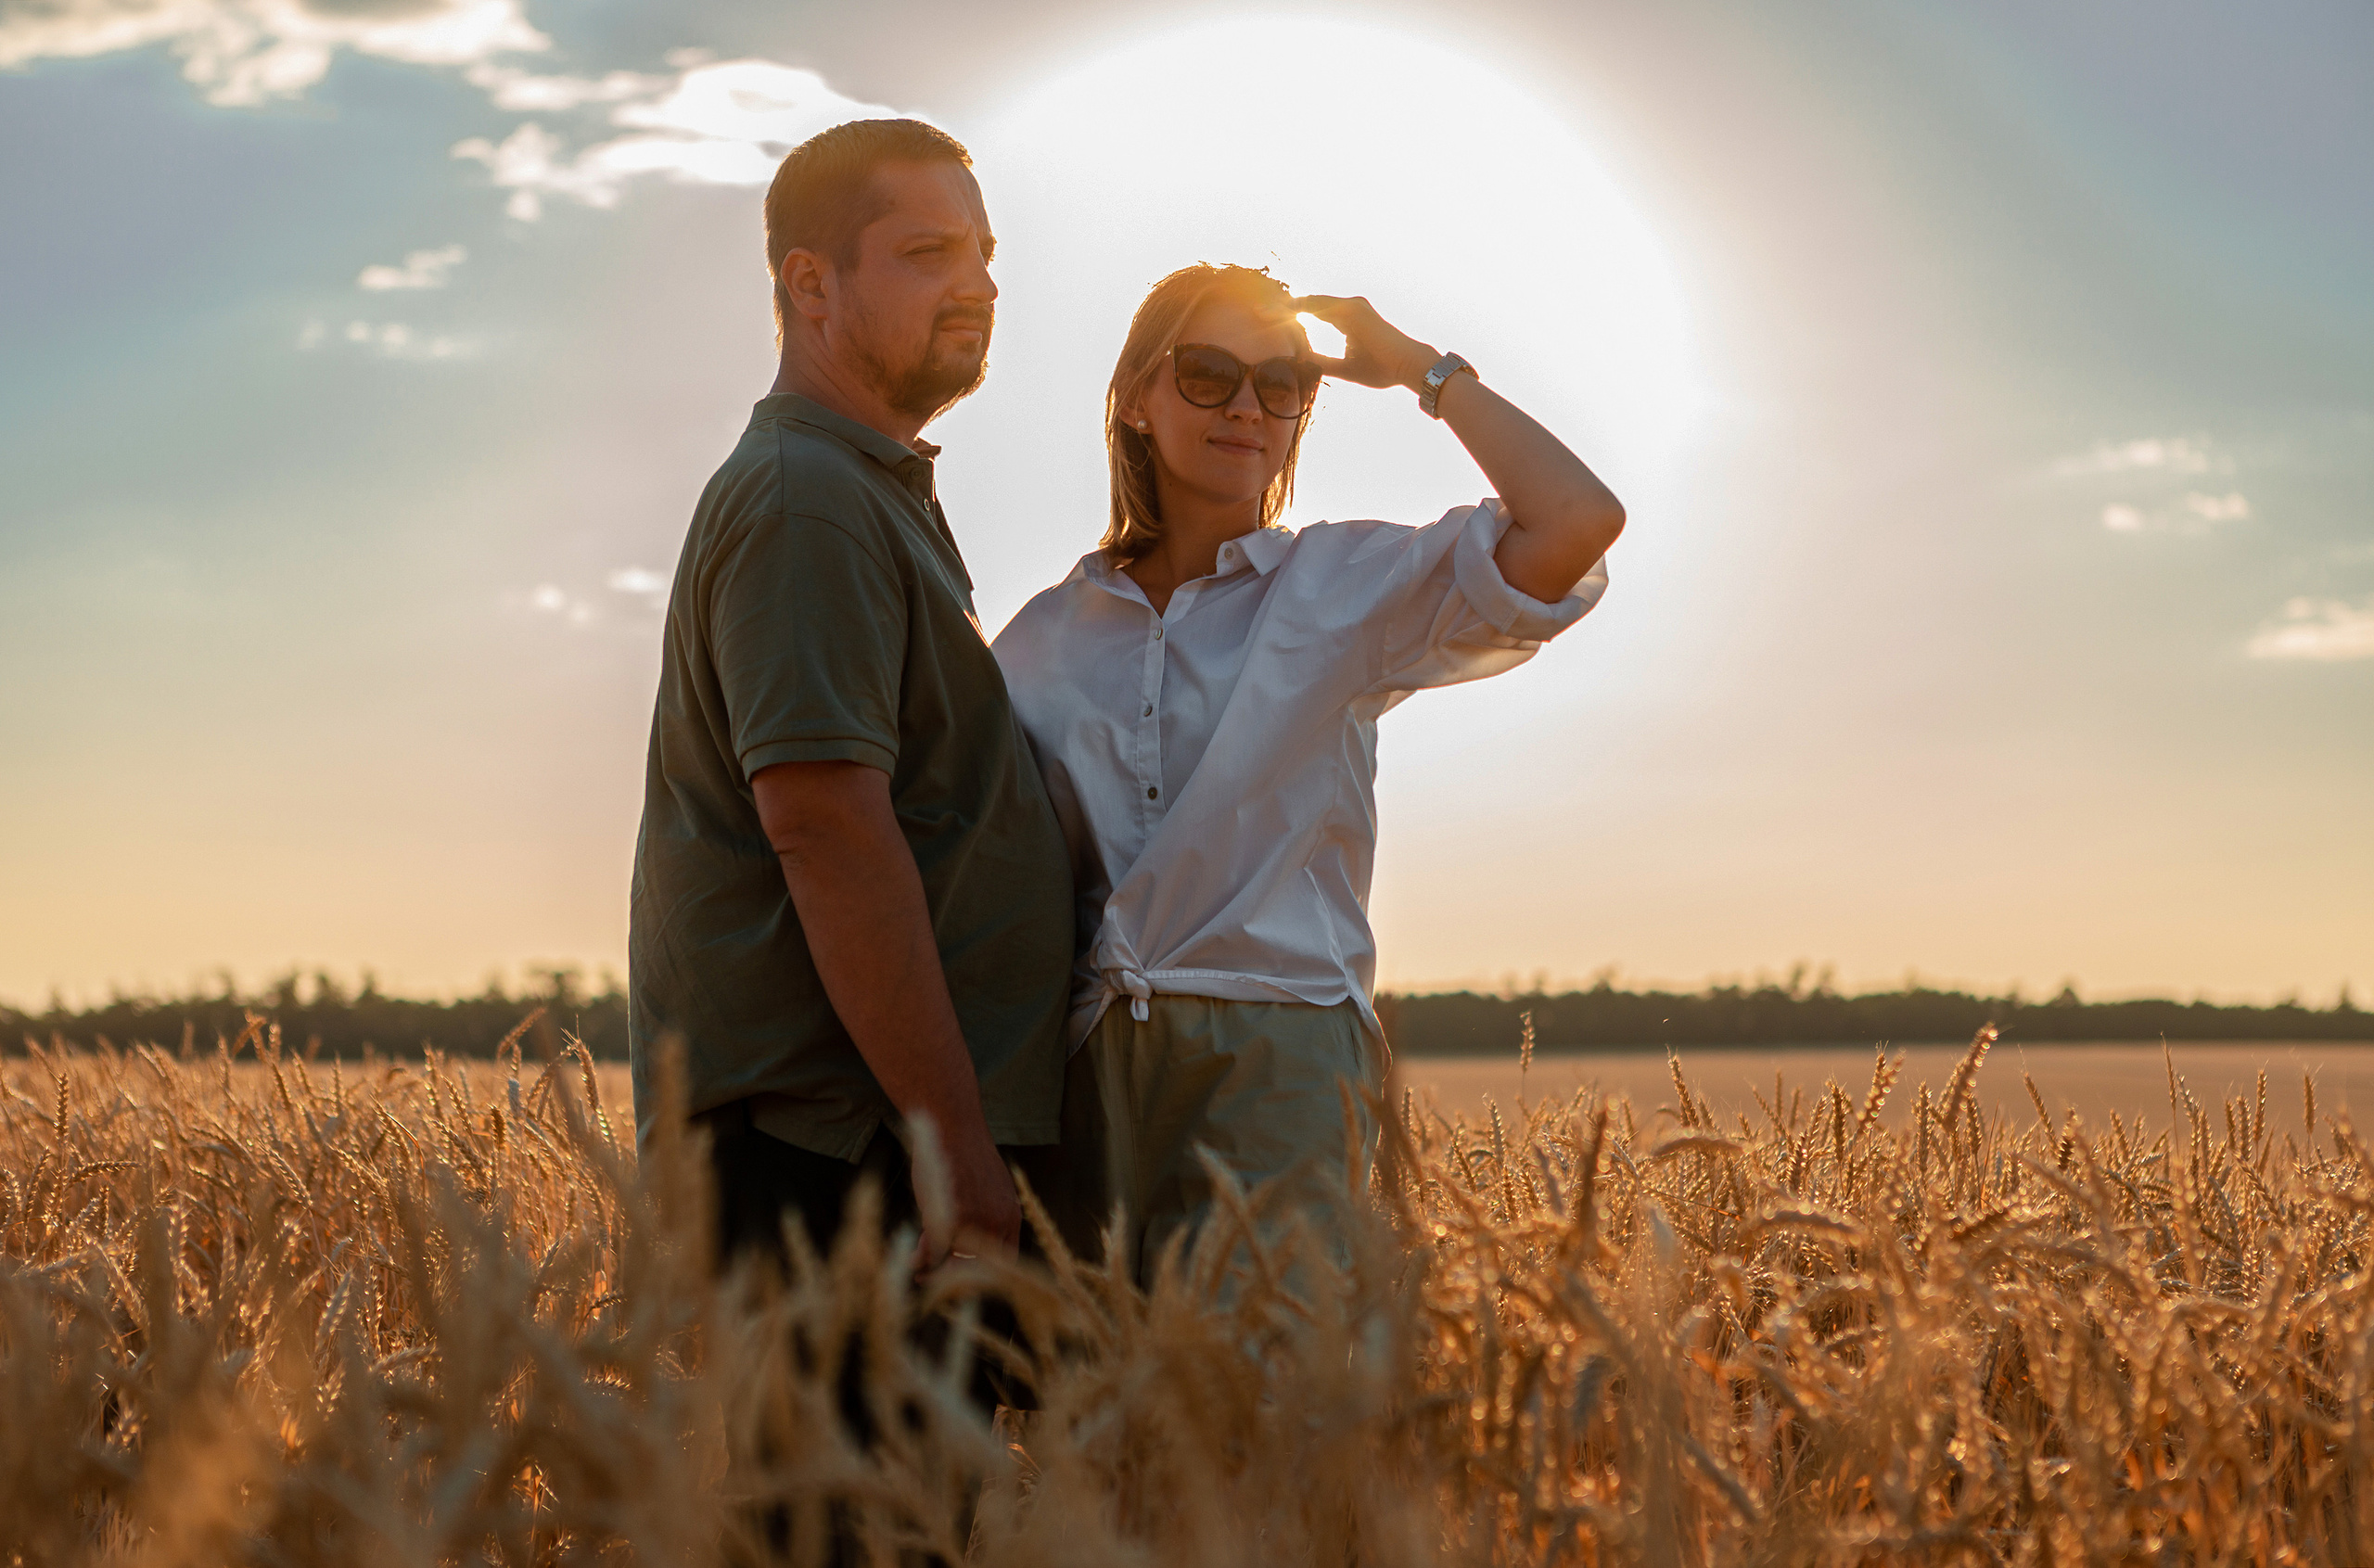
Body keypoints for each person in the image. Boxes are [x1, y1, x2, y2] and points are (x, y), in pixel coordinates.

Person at [991, 263, 1626, 1282]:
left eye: (1281, 383)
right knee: (1101, 1380)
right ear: (1138, 399)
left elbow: (1575, 521)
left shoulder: (1338, 586)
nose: (1247, 406)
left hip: (1282, 1050)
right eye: (1208, 373)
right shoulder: (1039, 641)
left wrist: (1421, 369)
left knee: (1261, 1380)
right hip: (1092, 1064)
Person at [628, 117, 1079, 1281]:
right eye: (928, 253)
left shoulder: (863, 487)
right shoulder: (808, 499)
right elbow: (825, 824)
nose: (978, 286)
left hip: (867, 1145)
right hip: (833, 1157)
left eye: (984, 253)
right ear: (811, 283)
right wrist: (948, 1142)